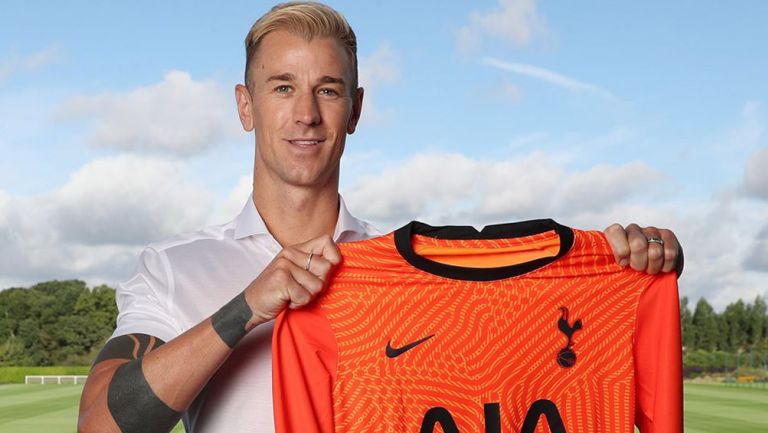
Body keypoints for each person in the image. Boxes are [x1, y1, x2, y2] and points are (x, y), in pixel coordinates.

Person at [77, 2, 683, 433]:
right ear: (245, 105)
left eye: (329, 90)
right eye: (283, 87)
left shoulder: (402, 269)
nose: (307, 114)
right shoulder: (176, 267)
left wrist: (631, 274)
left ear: (356, 108)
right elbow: (101, 426)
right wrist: (249, 307)